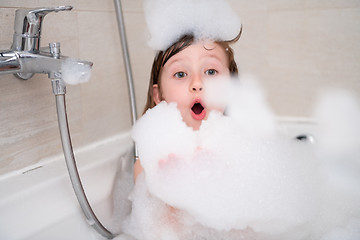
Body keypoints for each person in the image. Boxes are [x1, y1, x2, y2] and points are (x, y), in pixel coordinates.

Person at [133, 32, 241, 181]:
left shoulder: (243, 150)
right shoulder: (149, 164)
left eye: (211, 72)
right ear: (158, 95)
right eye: (181, 74)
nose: (197, 84)